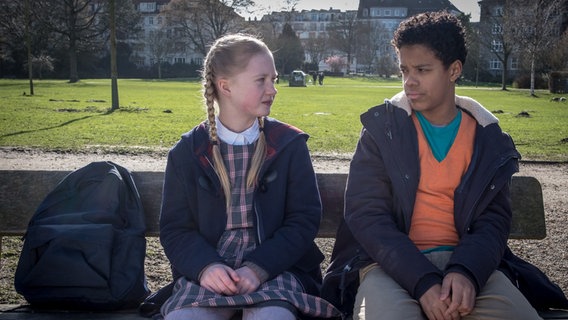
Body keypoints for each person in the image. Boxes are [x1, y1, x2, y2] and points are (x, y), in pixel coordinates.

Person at [321, 11, 567, 320]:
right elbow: (367, 215)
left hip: (469, 268)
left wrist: (466, 271)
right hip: (390, 267)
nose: (409, 81)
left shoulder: (488, 140)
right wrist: (423, 281)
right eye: (404, 69)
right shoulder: (381, 131)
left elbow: (494, 221)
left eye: (422, 70)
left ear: (453, 70)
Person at [158, 33, 340, 320]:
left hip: (275, 270)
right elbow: (175, 229)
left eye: (274, 79)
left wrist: (258, 267)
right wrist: (206, 267)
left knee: (273, 317)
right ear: (225, 86)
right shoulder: (188, 152)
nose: (273, 89)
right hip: (210, 274)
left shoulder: (288, 145)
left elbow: (303, 220)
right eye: (261, 80)